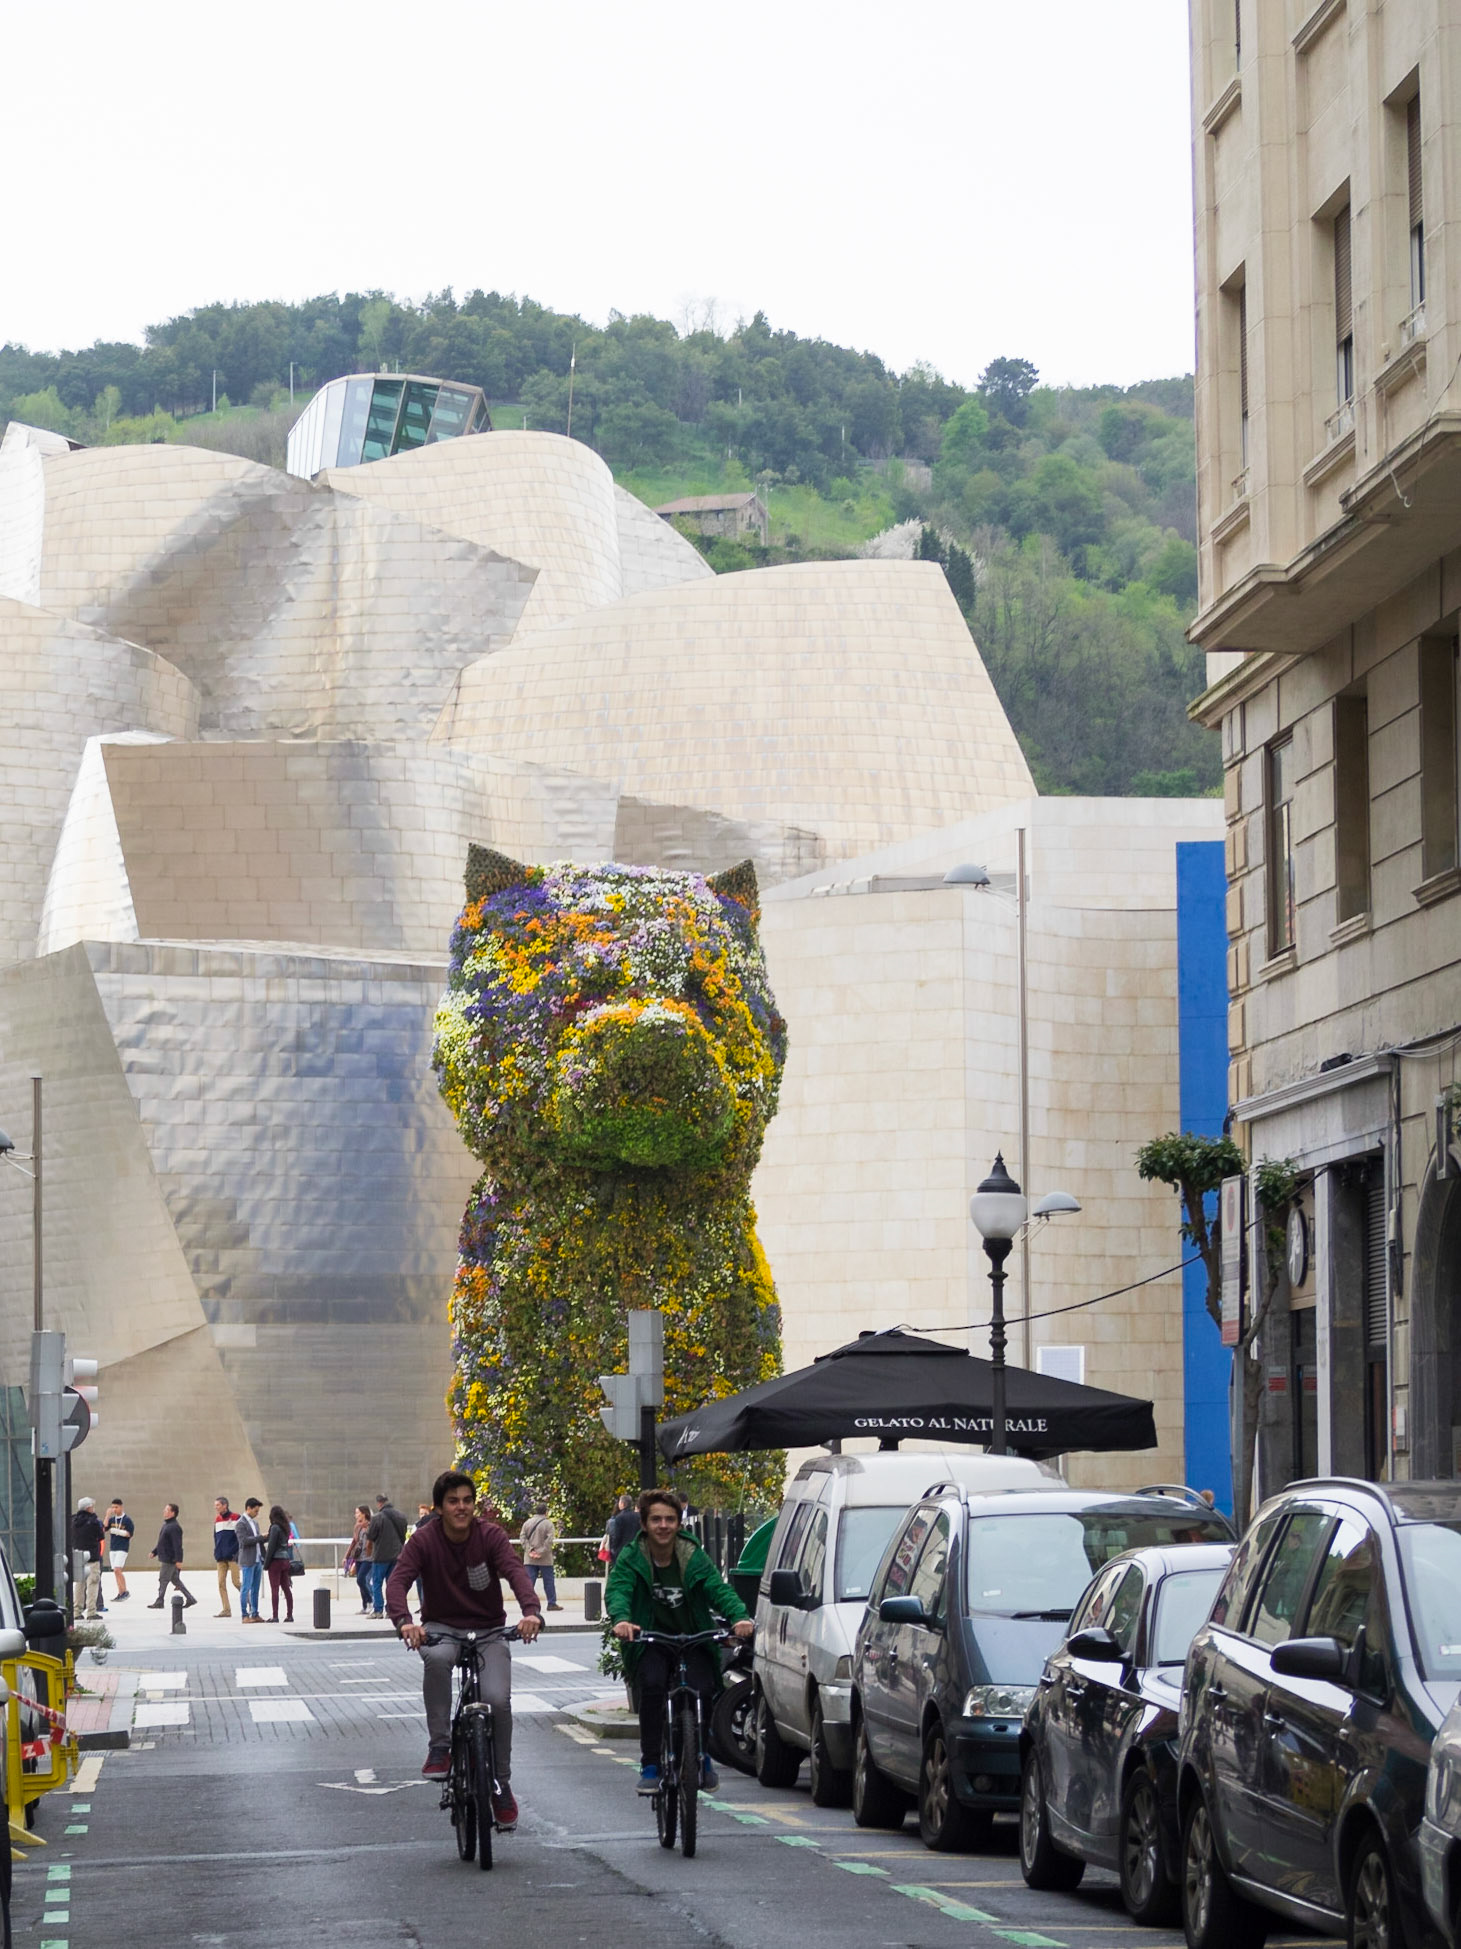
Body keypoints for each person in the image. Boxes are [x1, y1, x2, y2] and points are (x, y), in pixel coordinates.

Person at [386, 1469, 542, 1827]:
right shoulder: (424, 1541)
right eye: (453, 1501)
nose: (462, 1507)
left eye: (468, 1501)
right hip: (441, 1628)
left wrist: (531, 1612)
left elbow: (516, 1573)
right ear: (439, 1507)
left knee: (498, 1699)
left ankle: (501, 1784)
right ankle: (440, 1745)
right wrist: (405, 1621)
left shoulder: (491, 1536)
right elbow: (397, 1583)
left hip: (488, 1630)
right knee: (437, 1660)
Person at [607, 1487, 753, 1794]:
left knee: (705, 1687)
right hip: (651, 1638)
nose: (663, 1526)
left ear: (678, 1523)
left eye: (670, 1519)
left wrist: (740, 1617)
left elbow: (718, 1588)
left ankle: (703, 1753)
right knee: (652, 1685)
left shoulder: (691, 1555)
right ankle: (650, 1764)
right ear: (644, 1524)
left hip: (693, 1636)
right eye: (656, 1519)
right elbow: (618, 1589)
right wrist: (622, 1620)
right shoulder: (633, 1557)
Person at [367, 1493, 408, 1619]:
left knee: (377, 1583)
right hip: (397, 1556)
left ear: (379, 1503)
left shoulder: (377, 1518)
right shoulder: (401, 1516)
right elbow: (404, 1533)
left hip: (380, 1556)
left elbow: (371, 1536)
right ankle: (391, 1610)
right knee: (393, 1583)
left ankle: (378, 1610)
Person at [148, 1502, 196, 1608]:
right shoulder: (167, 1525)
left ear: (173, 1513)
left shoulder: (174, 1527)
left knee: (163, 1579)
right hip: (166, 1556)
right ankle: (190, 1598)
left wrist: (179, 1560)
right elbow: (162, 1542)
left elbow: (177, 1545)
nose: (164, 1512)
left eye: (167, 1510)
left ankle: (160, 1601)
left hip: (169, 1559)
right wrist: (154, 1552)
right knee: (175, 1580)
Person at [519, 1502, 563, 1610]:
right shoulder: (548, 1524)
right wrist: (541, 1552)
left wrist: (530, 1550)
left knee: (529, 1582)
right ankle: (551, 1603)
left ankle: (527, 1604)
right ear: (546, 1512)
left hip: (530, 1558)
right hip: (545, 1559)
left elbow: (522, 1538)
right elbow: (549, 1540)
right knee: (548, 1581)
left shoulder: (527, 1523)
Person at [261, 1504, 296, 1623]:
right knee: (286, 1588)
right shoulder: (286, 1527)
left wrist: (266, 1564)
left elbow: (271, 1547)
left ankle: (275, 1616)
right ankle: (289, 1615)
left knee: (274, 1588)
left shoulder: (274, 1527)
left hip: (276, 1561)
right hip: (286, 1559)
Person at [71, 1498, 104, 1620]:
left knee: (79, 1585)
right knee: (93, 1584)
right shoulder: (94, 1522)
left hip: (78, 1556)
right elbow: (100, 1536)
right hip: (92, 1557)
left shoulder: (73, 1521)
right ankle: (91, 1611)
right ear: (88, 1508)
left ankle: (76, 1611)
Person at [213, 1496, 242, 1617]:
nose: (216, 1507)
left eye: (218, 1505)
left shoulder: (236, 1518)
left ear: (225, 1505)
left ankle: (249, 1600)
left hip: (232, 1556)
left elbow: (240, 1537)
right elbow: (216, 1537)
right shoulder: (217, 1519)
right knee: (221, 1583)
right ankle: (226, 1609)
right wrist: (216, 1552)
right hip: (220, 1557)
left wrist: (236, 1552)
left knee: (236, 1582)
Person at [236, 1498, 264, 1621]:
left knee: (255, 1588)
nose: (257, 1513)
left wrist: (265, 1537)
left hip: (257, 1559)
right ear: (248, 1508)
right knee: (246, 1587)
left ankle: (255, 1613)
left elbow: (257, 1540)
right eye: (256, 1511)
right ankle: (244, 1614)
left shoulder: (255, 1523)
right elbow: (244, 1541)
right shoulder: (240, 1523)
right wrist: (260, 1537)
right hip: (248, 1560)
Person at [104, 1498, 134, 1601]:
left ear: (121, 1507)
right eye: (112, 1507)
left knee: (118, 1569)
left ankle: (125, 1591)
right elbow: (104, 1528)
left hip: (122, 1547)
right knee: (115, 1571)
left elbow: (129, 1534)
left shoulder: (127, 1520)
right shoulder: (112, 1520)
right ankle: (120, 1592)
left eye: (116, 1507)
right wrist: (107, 1515)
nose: (114, 1509)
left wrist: (118, 1531)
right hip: (113, 1548)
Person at [346, 1504, 373, 1615]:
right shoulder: (357, 1526)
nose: (355, 1515)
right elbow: (354, 1541)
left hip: (369, 1557)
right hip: (359, 1557)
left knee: (361, 1579)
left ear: (363, 1513)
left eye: (357, 1513)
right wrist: (346, 1557)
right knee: (360, 1581)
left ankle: (371, 1601)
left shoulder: (371, 1525)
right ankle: (365, 1605)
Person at [606, 1492, 639, 1567]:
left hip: (621, 1550)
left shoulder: (619, 1518)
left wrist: (614, 1548)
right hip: (635, 1550)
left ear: (622, 1504)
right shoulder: (638, 1516)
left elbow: (617, 1536)